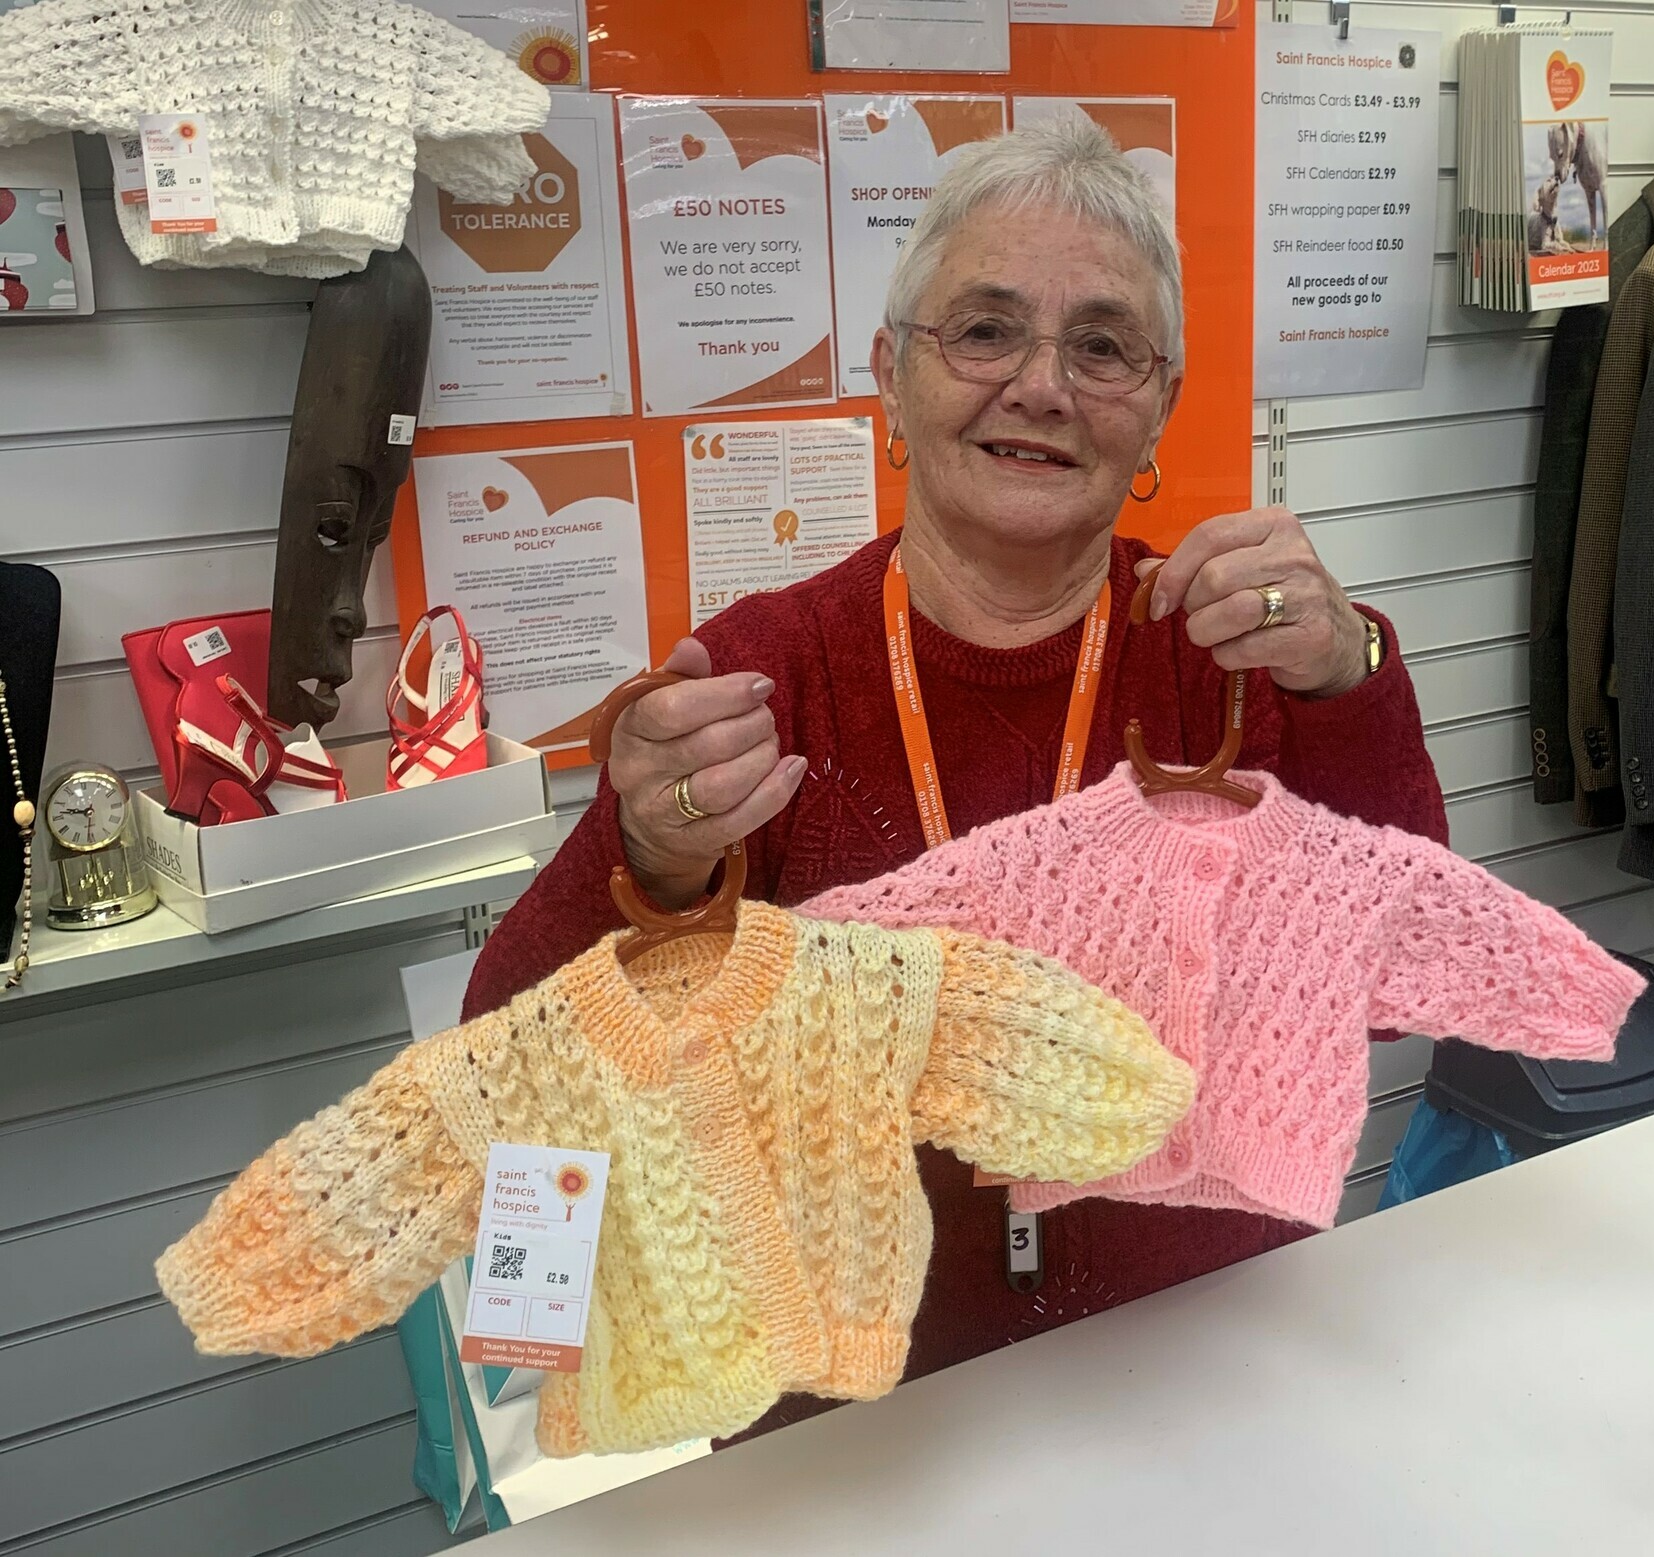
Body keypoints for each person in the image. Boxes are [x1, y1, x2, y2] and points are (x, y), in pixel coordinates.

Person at [464, 114, 1446, 1442]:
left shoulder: (1224, 660)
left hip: (1197, 1401)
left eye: (1102, 345)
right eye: (985, 329)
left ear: (1158, 400)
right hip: (848, 1447)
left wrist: (1347, 678)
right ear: (891, 371)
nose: (1041, 383)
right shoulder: (769, 678)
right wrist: (650, 857)